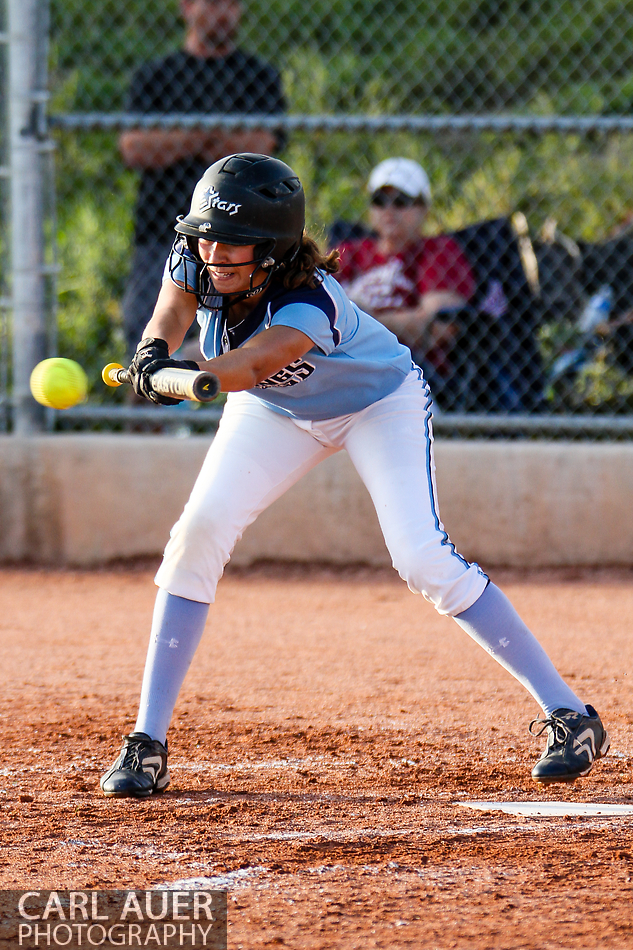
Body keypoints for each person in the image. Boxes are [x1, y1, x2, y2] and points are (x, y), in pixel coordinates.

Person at [100, 153, 609, 798]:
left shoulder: (310, 304)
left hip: (377, 404)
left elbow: (249, 365)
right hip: (277, 411)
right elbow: (172, 312)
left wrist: (189, 381)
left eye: (236, 242)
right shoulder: (198, 254)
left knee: (422, 558)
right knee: (196, 533)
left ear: (275, 249)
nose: (216, 253)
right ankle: (147, 740)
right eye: (207, 237)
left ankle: (570, 715)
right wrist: (151, 353)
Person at [120, 0, 285, 357]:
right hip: (161, 230)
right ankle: (146, 414)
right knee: (147, 344)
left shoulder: (257, 76)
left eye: (232, 4)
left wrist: (178, 138)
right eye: (212, 3)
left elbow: (264, 146)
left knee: (236, 345)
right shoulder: (157, 76)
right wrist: (213, 138)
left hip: (242, 237)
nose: (223, 13)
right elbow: (134, 147)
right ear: (186, 8)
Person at [336, 158, 475, 392]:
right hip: (339, 364)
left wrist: (359, 321)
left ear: (424, 208)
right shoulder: (349, 252)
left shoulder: (438, 251)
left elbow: (436, 327)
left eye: (401, 201)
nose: (389, 210)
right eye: (379, 201)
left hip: (405, 372)